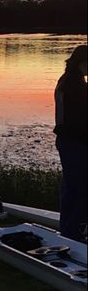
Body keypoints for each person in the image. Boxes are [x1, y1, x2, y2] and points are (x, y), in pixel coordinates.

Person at [54, 44, 87, 241]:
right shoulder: (77, 86)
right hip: (75, 143)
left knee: (71, 188)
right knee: (81, 189)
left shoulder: (66, 80)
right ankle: (76, 233)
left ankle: (67, 231)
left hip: (68, 141)